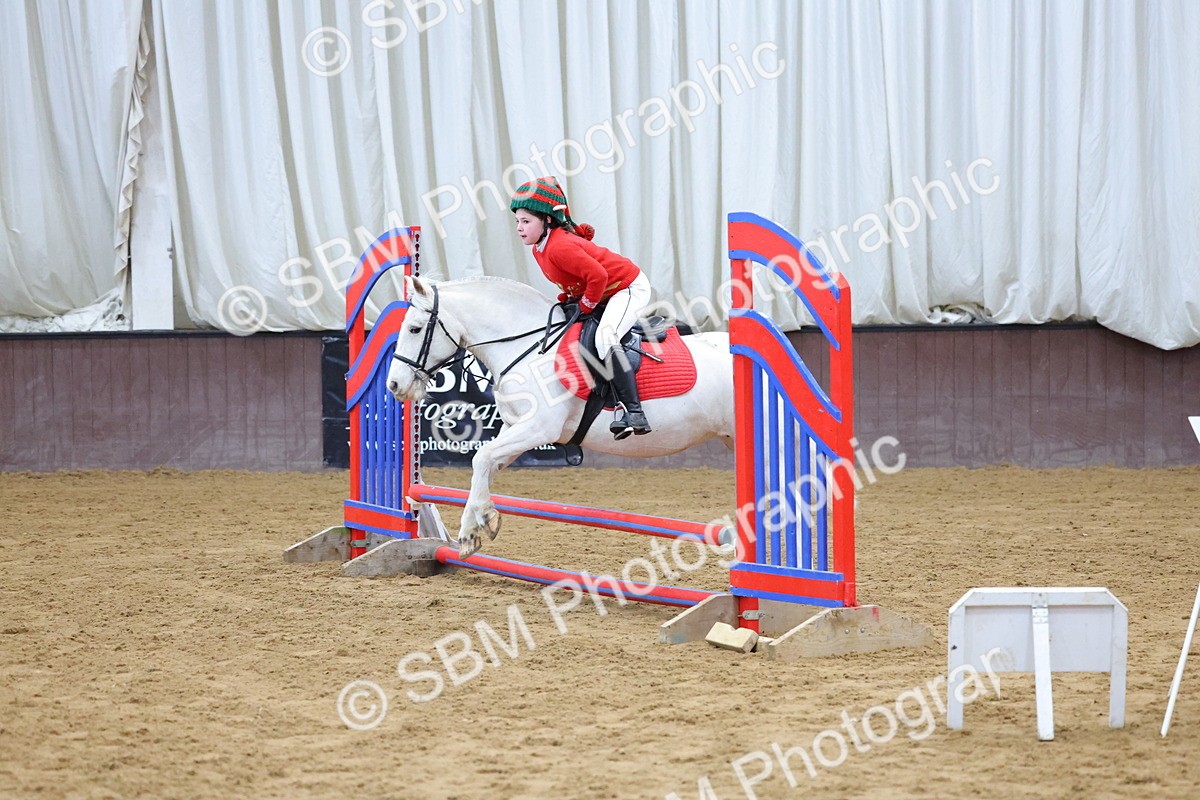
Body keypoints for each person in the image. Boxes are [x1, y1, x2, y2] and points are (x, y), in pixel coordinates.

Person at [510, 176, 652, 439]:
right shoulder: (539, 248)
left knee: (606, 336)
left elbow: (598, 276)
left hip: (627, 287)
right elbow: (574, 279)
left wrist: (585, 304)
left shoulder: (559, 247)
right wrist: (571, 297)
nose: (519, 228)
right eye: (517, 221)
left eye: (526, 221)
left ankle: (634, 411)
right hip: (607, 290)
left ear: (547, 220)